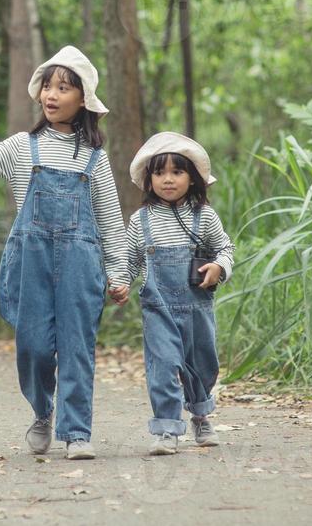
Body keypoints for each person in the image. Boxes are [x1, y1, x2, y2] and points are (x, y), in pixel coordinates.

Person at [0, 45, 130, 460]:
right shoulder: (22, 146)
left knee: (77, 346)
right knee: (34, 346)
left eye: (64, 88)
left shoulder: (95, 157)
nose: (52, 95)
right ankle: (43, 411)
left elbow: (110, 217)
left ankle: (76, 433)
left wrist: (120, 270)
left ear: (83, 101)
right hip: (30, 263)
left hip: (81, 264)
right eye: (48, 87)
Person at [115, 132, 235, 454]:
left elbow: (225, 248)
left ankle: (199, 415)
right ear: (148, 179)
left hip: (197, 309)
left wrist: (218, 268)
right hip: (159, 310)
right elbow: (131, 259)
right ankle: (167, 429)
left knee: (202, 365)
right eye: (159, 173)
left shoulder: (204, 216)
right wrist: (121, 281)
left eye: (177, 172)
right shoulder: (141, 220)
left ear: (193, 178)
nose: (167, 179)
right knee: (164, 366)